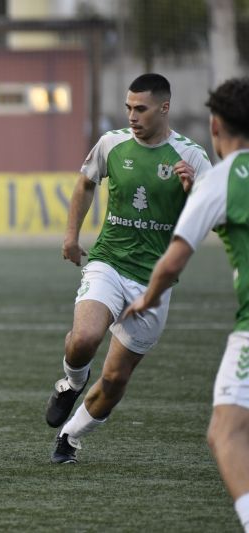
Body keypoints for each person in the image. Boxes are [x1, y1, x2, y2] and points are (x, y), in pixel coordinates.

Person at [45, 73, 212, 463]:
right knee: (83, 339)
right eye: (128, 108)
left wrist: (192, 194)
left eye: (141, 108)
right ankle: (71, 382)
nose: (132, 116)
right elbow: (85, 183)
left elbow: (210, 223)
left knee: (116, 379)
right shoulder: (112, 144)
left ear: (164, 108)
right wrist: (71, 236)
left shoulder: (192, 158)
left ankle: (70, 437)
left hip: (154, 281)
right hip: (109, 261)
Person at [124, 77, 249, 531]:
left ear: (215, 126)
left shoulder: (220, 180)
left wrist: (147, 298)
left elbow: (174, 259)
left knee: (226, 433)